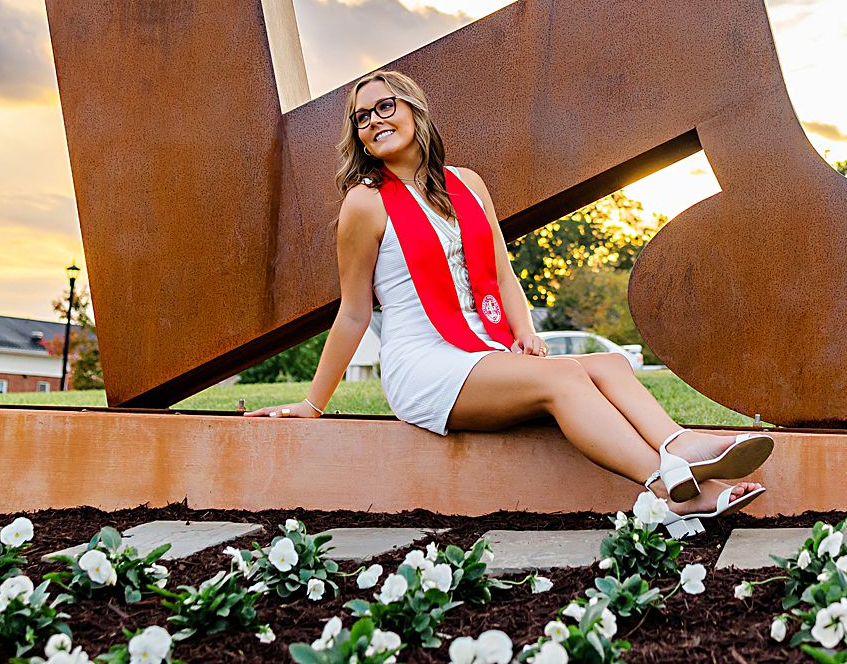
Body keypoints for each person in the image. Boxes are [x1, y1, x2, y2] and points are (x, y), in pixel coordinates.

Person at [246, 68, 770, 533]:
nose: (374, 121)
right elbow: (355, 310)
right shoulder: (365, 203)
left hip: (481, 348)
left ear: (415, 112)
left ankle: (677, 447)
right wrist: (312, 405)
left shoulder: (466, 185)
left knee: (609, 363)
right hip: (424, 364)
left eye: (387, 106)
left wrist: (524, 332)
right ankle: (669, 488)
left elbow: (499, 269)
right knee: (565, 379)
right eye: (362, 117)